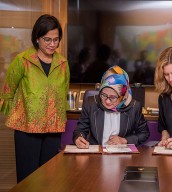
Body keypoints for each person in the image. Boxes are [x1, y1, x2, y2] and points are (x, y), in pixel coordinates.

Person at [0, 14, 70, 183]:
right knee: (28, 180)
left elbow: (63, 93)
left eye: (56, 39)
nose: (52, 44)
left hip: (53, 129)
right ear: (37, 38)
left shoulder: (62, 63)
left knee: (50, 180)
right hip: (26, 130)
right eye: (47, 39)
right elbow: (7, 93)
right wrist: (17, 118)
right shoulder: (22, 60)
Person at [73, 65, 149, 147]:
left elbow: (144, 133)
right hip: (96, 155)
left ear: (123, 95)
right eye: (104, 95)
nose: (107, 101)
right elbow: (80, 130)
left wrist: (124, 140)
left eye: (113, 97)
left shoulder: (134, 106)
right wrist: (79, 138)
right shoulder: (91, 103)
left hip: (122, 156)